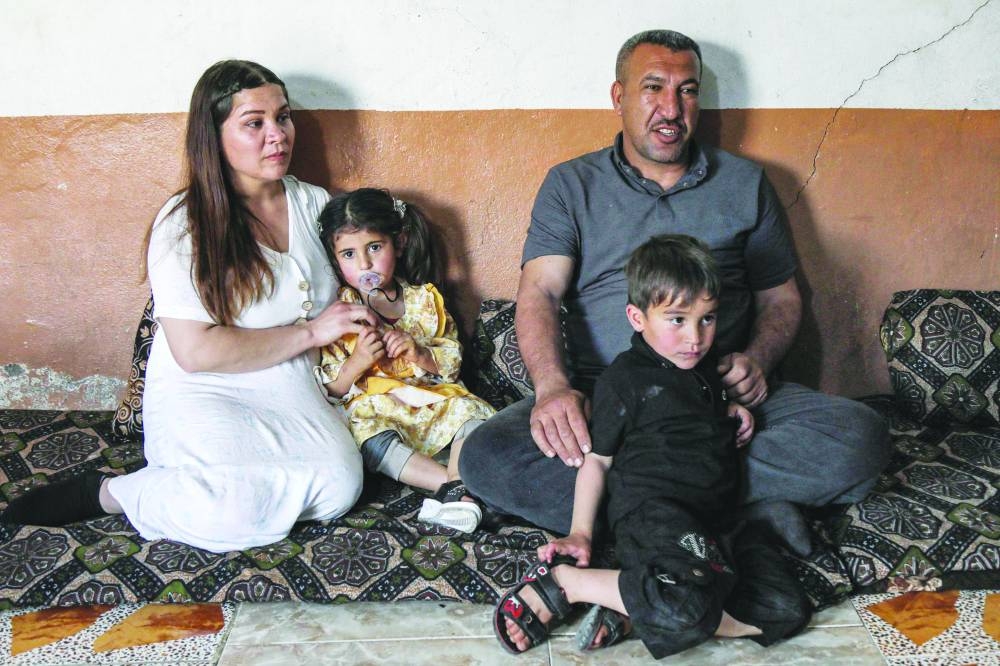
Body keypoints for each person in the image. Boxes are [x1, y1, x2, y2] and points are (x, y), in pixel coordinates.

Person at [460, 28, 890, 576]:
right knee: (486, 455)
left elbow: (780, 296)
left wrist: (758, 359)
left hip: (719, 401)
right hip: (607, 399)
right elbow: (539, 291)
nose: (671, 108)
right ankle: (733, 511)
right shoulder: (571, 185)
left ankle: (648, 511)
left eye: (687, 90)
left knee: (860, 438)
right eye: (653, 88)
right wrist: (552, 389)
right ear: (618, 97)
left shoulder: (744, 183)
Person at [1, 60, 377, 552]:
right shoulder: (183, 222)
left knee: (337, 485)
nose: (277, 135)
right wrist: (310, 333)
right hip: (206, 384)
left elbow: (364, 274)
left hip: (290, 377)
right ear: (213, 134)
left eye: (283, 117)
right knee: (229, 512)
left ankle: (208, 487)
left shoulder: (313, 205)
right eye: (254, 123)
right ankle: (115, 492)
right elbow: (196, 352)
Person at [493, 235, 812, 656]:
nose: (695, 337)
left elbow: (692, 412)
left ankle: (634, 606)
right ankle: (567, 585)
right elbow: (598, 462)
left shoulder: (706, 372)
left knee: (787, 610)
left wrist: (732, 406)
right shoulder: (624, 381)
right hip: (658, 513)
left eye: (708, 318)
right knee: (689, 608)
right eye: (677, 320)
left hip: (718, 521)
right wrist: (580, 533)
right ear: (637, 317)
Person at [315, 188, 496, 533]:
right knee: (366, 435)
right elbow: (332, 388)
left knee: (470, 412)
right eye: (349, 254)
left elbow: (452, 361)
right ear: (335, 259)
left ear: (398, 244)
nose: (364, 264)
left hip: (432, 401)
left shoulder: (425, 300)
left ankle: (457, 491)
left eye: (374, 248)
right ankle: (453, 491)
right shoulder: (341, 312)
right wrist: (358, 360)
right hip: (379, 408)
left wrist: (419, 352)